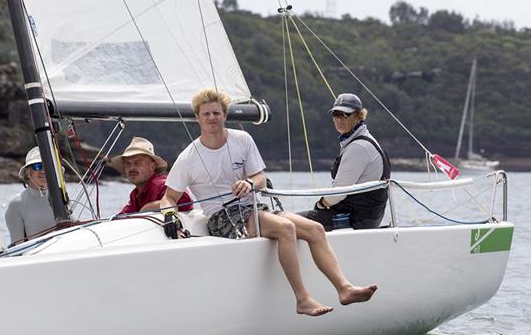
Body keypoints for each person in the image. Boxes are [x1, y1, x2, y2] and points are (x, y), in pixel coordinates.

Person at [159, 88, 377, 317]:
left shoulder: (242, 139)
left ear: (225, 115)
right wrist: (170, 215)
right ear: (197, 118)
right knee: (286, 228)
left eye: (216, 113)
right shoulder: (188, 157)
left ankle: (345, 288)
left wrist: (250, 183)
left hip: (253, 208)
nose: (212, 118)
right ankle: (302, 299)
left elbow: (260, 178)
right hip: (222, 218)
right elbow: (169, 197)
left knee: (315, 229)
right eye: (206, 114)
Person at [301, 93, 391, 231]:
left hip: (355, 221)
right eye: (336, 114)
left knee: (285, 221)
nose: (339, 119)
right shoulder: (361, 139)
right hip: (365, 219)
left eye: (344, 114)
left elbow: (337, 194)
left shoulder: (358, 147)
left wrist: (320, 204)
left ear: (359, 116)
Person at [109, 136, 193, 215]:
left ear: (152, 166)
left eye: (137, 163)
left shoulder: (161, 185)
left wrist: (148, 207)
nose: (132, 168)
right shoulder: (135, 195)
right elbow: (123, 216)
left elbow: (185, 202)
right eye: (128, 164)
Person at [5, 146, 56, 244]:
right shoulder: (16, 204)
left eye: (47, 166)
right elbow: (17, 248)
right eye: (38, 166)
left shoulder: (63, 199)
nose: (43, 171)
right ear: (28, 173)